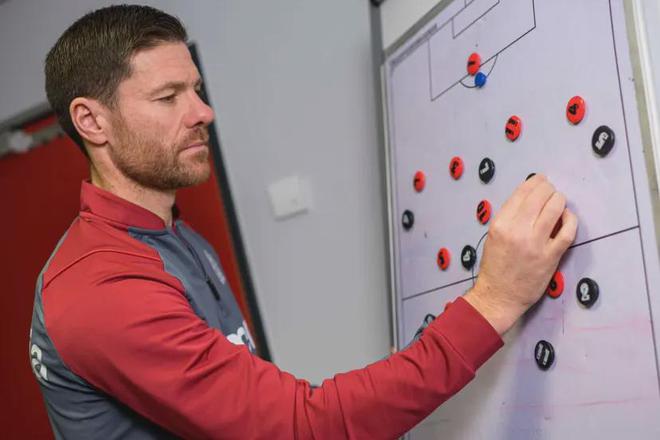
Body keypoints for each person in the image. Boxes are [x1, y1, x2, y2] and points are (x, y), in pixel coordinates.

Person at [28, 5, 577, 439]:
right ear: (91, 121)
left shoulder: (172, 233)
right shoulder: (101, 287)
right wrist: (495, 300)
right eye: (168, 97)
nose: (202, 112)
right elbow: (300, 427)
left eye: (195, 89)